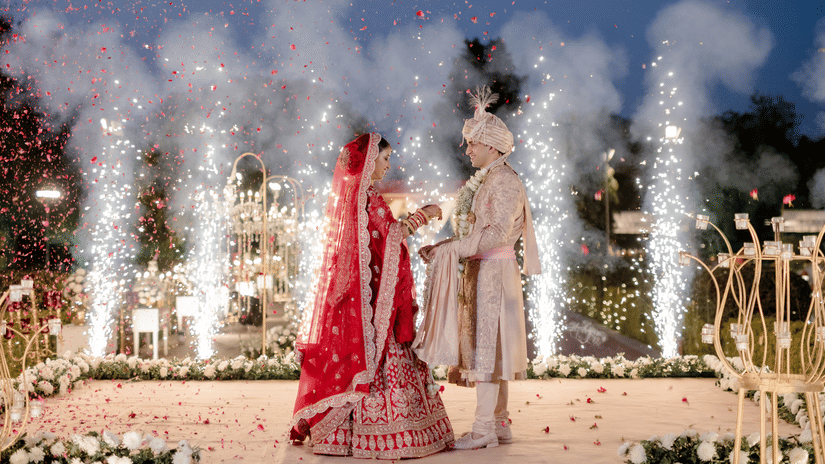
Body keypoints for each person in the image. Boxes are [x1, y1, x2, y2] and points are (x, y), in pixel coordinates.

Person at [289, 133, 454, 458]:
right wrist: (424, 214)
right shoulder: (368, 197)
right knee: (373, 360)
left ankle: (337, 435)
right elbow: (391, 236)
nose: (388, 165)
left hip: (359, 300)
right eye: (385, 159)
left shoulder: (351, 197)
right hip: (374, 308)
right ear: (368, 161)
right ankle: (384, 434)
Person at [416, 87, 541, 450]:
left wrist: (450, 249)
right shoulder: (489, 178)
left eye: (473, 144)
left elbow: (493, 235)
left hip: (493, 272)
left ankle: (485, 428)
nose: (468, 150)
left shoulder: (503, 180)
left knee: (488, 349)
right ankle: (498, 424)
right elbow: (476, 232)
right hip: (483, 272)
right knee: (492, 348)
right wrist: (444, 247)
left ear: (493, 148)